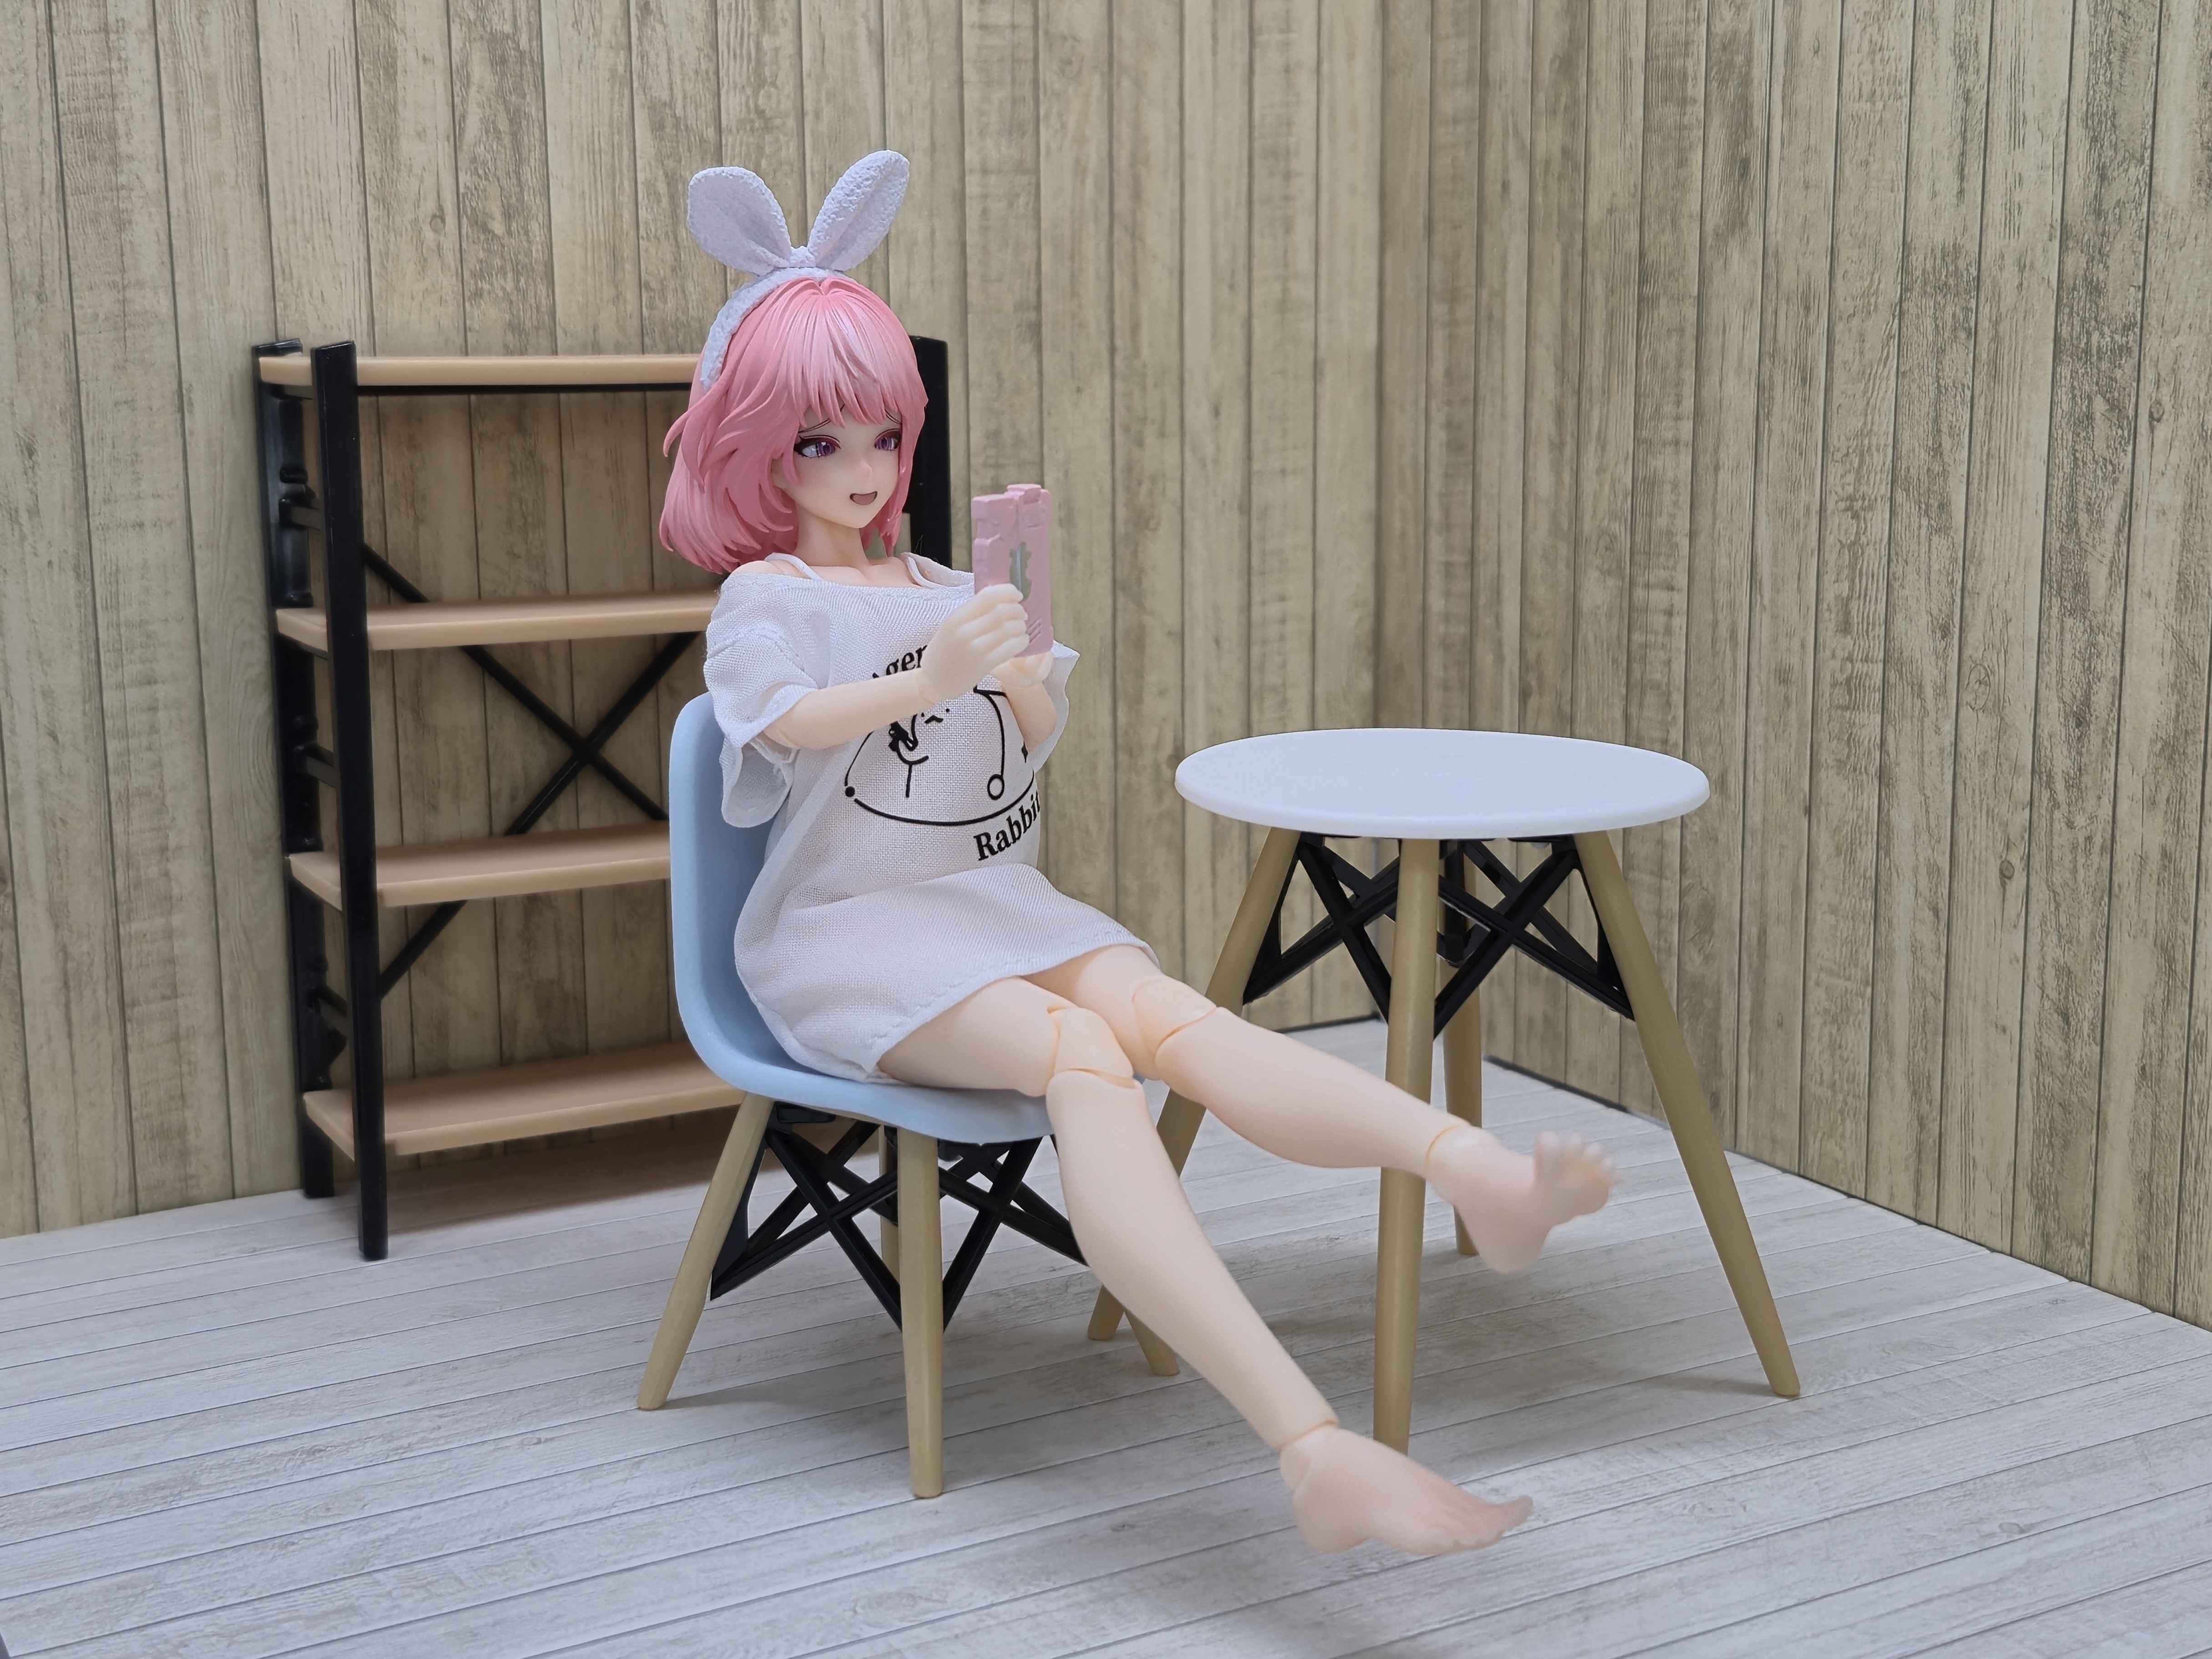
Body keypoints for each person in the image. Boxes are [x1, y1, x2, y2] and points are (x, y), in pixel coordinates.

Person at [667, 152, 1616, 1556]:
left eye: (880, 437)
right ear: (755, 447)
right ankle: (1307, 1443)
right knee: (1081, 1057)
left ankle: (1472, 1172)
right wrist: (928, 676)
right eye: (821, 444)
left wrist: (1015, 673)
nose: (861, 472)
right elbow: (778, 723)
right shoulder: (769, 597)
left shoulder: (948, 580)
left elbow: (1023, 741)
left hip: (991, 903)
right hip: (846, 937)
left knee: (1170, 1015)